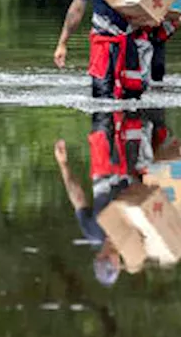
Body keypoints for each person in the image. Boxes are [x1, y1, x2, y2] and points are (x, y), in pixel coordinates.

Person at [53, 110, 156, 287]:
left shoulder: (92, 232)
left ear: (97, 257)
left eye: (103, 260)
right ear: (118, 265)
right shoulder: (135, 239)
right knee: (136, 114)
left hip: (104, 172)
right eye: (111, 264)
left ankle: (106, 88)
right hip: (132, 171)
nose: (108, 257)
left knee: (102, 116)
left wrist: (63, 164)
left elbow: (77, 198)